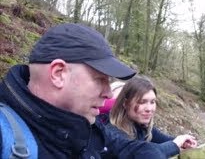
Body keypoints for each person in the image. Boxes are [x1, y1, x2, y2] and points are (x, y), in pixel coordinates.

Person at [0, 23, 167, 159]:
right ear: (58, 74)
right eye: (101, 79)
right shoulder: (4, 135)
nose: (109, 93)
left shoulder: (84, 125)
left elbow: (128, 148)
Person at [103, 76, 198, 158]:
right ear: (125, 103)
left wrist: (185, 142)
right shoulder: (112, 133)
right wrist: (175, 145)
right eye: (142, 102)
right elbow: (145, 153)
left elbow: (164, 139)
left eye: (152, 102)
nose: (149, 109)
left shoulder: (142, 126)